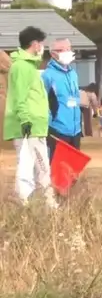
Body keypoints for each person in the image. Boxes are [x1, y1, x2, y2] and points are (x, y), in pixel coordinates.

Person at [3, 26, 55, 206]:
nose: (42, 47)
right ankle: (46, 204)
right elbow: (20, 97)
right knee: (39, 168)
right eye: (41, 43)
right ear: (34, 44)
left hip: (36, 126)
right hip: (28, 127)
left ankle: (32, 204)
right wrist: (26, 120)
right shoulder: (22, 67)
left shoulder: (30, 67)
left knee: (34, 168)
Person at [43, 38, 83, 163]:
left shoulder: (73, 74)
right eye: (61, 50)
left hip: (75, 129)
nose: (66, 52)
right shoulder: (47, 75)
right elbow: (43, 102)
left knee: (72, 168)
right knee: (58, 168)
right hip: (57, 129)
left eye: (68, 49)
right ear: (52, 54)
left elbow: (75, 99)